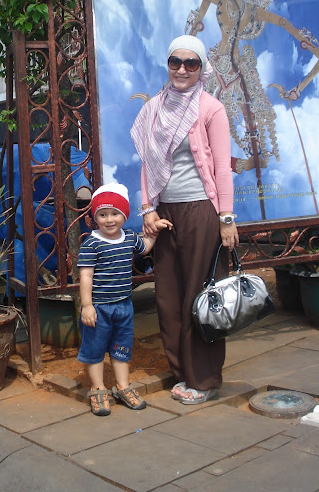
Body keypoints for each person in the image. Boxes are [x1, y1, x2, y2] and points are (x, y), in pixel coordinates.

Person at [130, 34, 239, 405]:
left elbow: (221, 168)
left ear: (201, 68)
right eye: (175, 61)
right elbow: (148, 164)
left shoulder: (210, 109)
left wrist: (226, 218)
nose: (181, 69)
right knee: (168, 297)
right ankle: (182, 372)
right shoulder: (154, 109)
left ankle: (203, 379)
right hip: (166, 214)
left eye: (191, 63)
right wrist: (148, 209)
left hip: (200, 211)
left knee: (200, 295)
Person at [78, 182, 172, 416]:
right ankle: (98, 388)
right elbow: (86, 276)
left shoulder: (129, 238)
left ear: (124, 215)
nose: (109, 220)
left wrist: (155, 230)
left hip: (124, 306)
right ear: (95, 217)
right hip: (99, 308)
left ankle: (122, 386)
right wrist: (87, 306)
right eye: (103, 214)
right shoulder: (91, 244)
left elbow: (145, 247)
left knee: (122, 349)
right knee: (95, 350)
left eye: (115, 213)